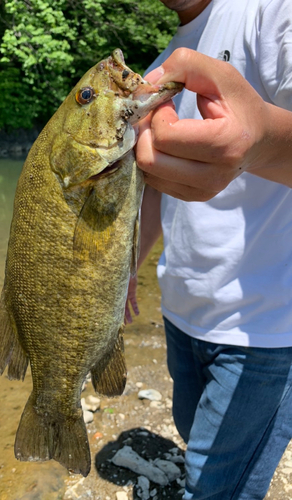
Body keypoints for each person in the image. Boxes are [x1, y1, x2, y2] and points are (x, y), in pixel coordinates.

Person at [125, 0, 292, 498]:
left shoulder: (272, 12)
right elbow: (155, 187)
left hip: (264, 330)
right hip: (181, 309)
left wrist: (262, 141)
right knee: (190, 432)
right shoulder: (163, 58)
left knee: (214, 488)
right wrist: (126, 267)